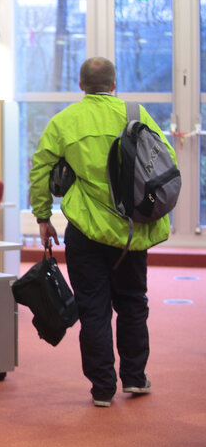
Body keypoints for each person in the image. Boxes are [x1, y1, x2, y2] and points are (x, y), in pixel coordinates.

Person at [29, 57, 177, 407]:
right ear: (114, 85)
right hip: (131, 231)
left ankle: (102, 389)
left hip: (86, 231)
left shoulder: (65, 121)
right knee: (132, 302)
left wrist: (42, 216)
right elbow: (166, 160)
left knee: (93, 308)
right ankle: (136, 378)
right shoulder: (136, 114)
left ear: (81, 86)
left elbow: (39, 170)